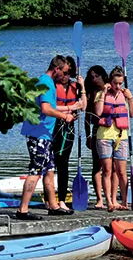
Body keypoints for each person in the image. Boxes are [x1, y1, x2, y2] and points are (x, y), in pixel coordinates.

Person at [17, 55, 76, 220]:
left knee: (49, 170)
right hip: (38, 134)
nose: (65, 76)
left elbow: (51, 106)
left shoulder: (47, 82)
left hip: (45, 135)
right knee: (35, 171)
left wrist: (69, 109)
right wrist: (64, 117)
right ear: (56, 69)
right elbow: (45, 109)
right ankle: (22, 210)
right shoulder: (45, 82)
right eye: (64, 72)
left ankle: (54, 206)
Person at [93, 66, 133, 212]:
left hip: (121, 136)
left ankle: (124, 201)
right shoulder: (101, 93)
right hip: (104, 136)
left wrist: (130, 98)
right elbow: (98, 112)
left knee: (121, 172)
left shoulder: (124, 95)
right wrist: (104, 93)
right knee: (106, 170)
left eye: (120, 83)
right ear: (110, 82)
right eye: (115, 83)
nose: (117, 86)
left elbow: (132, 114)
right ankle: (109, 202)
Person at [52, 56, 86, 211]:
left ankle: (62, 201)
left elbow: (83, 107)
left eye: (68, 74)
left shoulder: (76, 87)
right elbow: (50, 107)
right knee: (51, 163)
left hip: (69, 129)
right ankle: (50, 199)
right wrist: (71, 108)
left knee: (63, 163)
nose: (65, 77)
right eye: (64, 73)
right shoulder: (53, 85)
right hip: (54, 126)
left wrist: (82, 86)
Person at [84, 65, 109, 210]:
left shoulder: (110, 88)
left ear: (102, 76)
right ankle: (99, 199)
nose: (94, 79)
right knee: (96, 166)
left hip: (111, 130)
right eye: (92, 77)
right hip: (96, 131)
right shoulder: (91, 93)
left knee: (110, 168)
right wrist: (88, 136)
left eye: (96, 76)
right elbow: (87, 117)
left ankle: (110, 198)